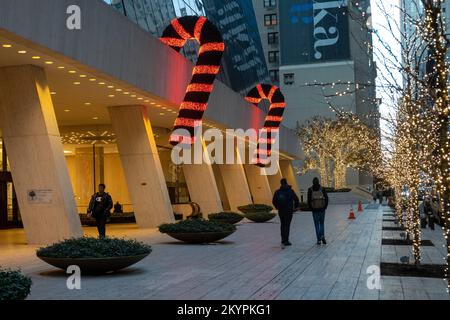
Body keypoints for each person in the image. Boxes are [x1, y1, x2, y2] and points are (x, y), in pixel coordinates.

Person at [272, 178, 300, 247]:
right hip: (289, 211)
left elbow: (274, 201)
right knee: (287, 225)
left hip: (281, 211)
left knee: (282, 225)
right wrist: (295, 207)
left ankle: (283, 239)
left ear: (281, 183)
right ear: (286, 183)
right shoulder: (290, 191)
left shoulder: (277, 192)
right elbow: (296, 199)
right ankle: (286, 240)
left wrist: (277, 207)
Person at [307, 177, 329, 245]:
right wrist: (325, 207)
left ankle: (319, 239)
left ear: (312, 182)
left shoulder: (310, 189)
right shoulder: (322, 189)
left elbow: (309, 200)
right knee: (322, 223)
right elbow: (326, 198)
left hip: (314, 210)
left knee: (316, 224)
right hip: (322, 208)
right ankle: (322, 236)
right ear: (318, 182)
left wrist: (311, 208)